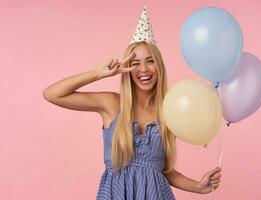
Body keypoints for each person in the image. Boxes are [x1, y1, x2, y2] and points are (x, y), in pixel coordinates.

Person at [43, 6, 221, 200]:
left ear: (159, 66)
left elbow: (165, 171)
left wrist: (197, 186)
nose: (143, 69)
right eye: (135, 63)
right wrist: (97, 73)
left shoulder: (168, 112)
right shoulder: (111, 104)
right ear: (127, 67)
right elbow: (52, 94)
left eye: (150, 61)